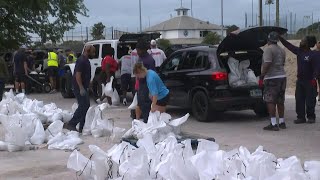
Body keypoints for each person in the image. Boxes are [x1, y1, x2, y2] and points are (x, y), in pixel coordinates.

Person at [280, 35, 320, 124]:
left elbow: (317, 67)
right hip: (300, 81)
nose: (301, 41)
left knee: (310, 100)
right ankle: (301, 117)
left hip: (310, 81)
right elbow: (288, 45)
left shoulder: (314, 54)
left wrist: (315, 78)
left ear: (308, 43)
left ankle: (311, 117)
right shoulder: (299, 51)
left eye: (303, 40)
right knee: (299, 99)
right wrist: (280, 38)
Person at [65, 45, 95, 133]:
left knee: (85, 106)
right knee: (83, 105)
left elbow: (86, 75)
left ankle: (81, 126)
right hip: (79, 87)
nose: (94, 54)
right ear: (88, 51)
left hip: (83, 86)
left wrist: (89, 86)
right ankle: (71, 124)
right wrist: (81, 88)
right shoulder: (81, 61)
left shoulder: (86, 60)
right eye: (93, 52)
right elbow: (78, 75)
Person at [260, 32, 287, 131]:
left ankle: (273, 123)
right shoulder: (282, 50)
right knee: (280, 100)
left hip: (272, 77)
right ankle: (282, 122)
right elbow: (283, 63)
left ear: (268, 40)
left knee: (270, 101)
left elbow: (267, 63)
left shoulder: (268, 49)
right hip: (282, 77)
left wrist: (262, 75)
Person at [135, 39, 156, 123]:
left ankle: (147, 122)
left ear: (144, 49)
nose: (137, 52)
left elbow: (152, 75)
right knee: (140, 103)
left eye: (138, 50)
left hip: (146, 86)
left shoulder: (149, 60)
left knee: (146, 105)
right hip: (141, 84)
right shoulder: (140, 58)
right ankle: (143, 120)